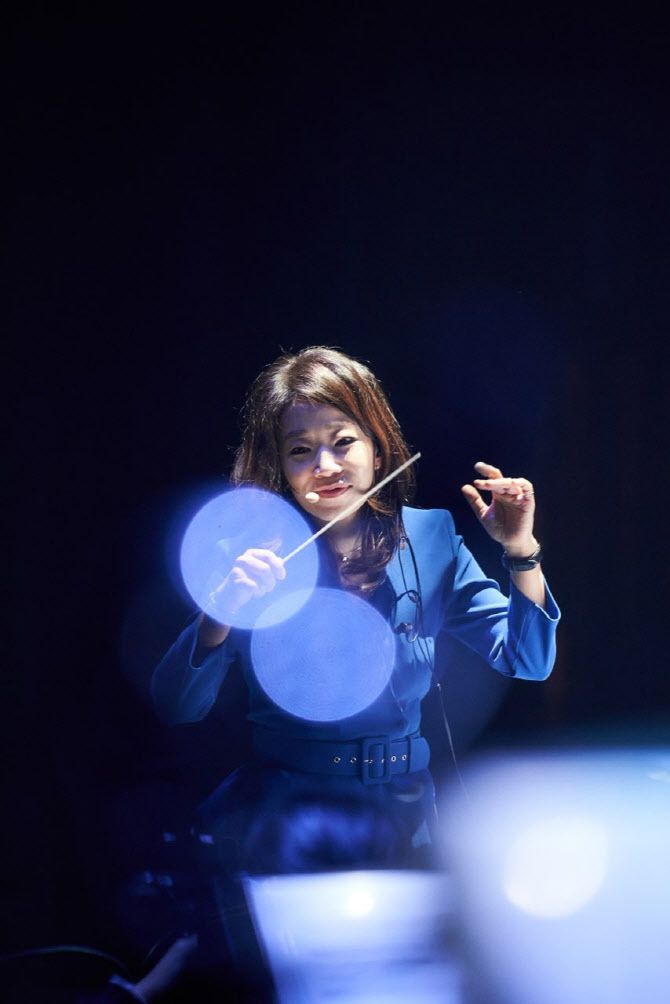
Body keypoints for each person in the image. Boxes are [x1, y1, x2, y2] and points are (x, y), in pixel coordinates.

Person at [151, 346, 560, 872]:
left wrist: (521, 551)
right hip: (285, 818)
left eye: (343, 441)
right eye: (300, 450)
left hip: (404, 821)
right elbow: (176, 707)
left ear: (378, 449)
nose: (325, 466)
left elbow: (528, 661)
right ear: (280, 466)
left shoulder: (432, 537)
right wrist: (219, 613)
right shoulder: (251, 558)